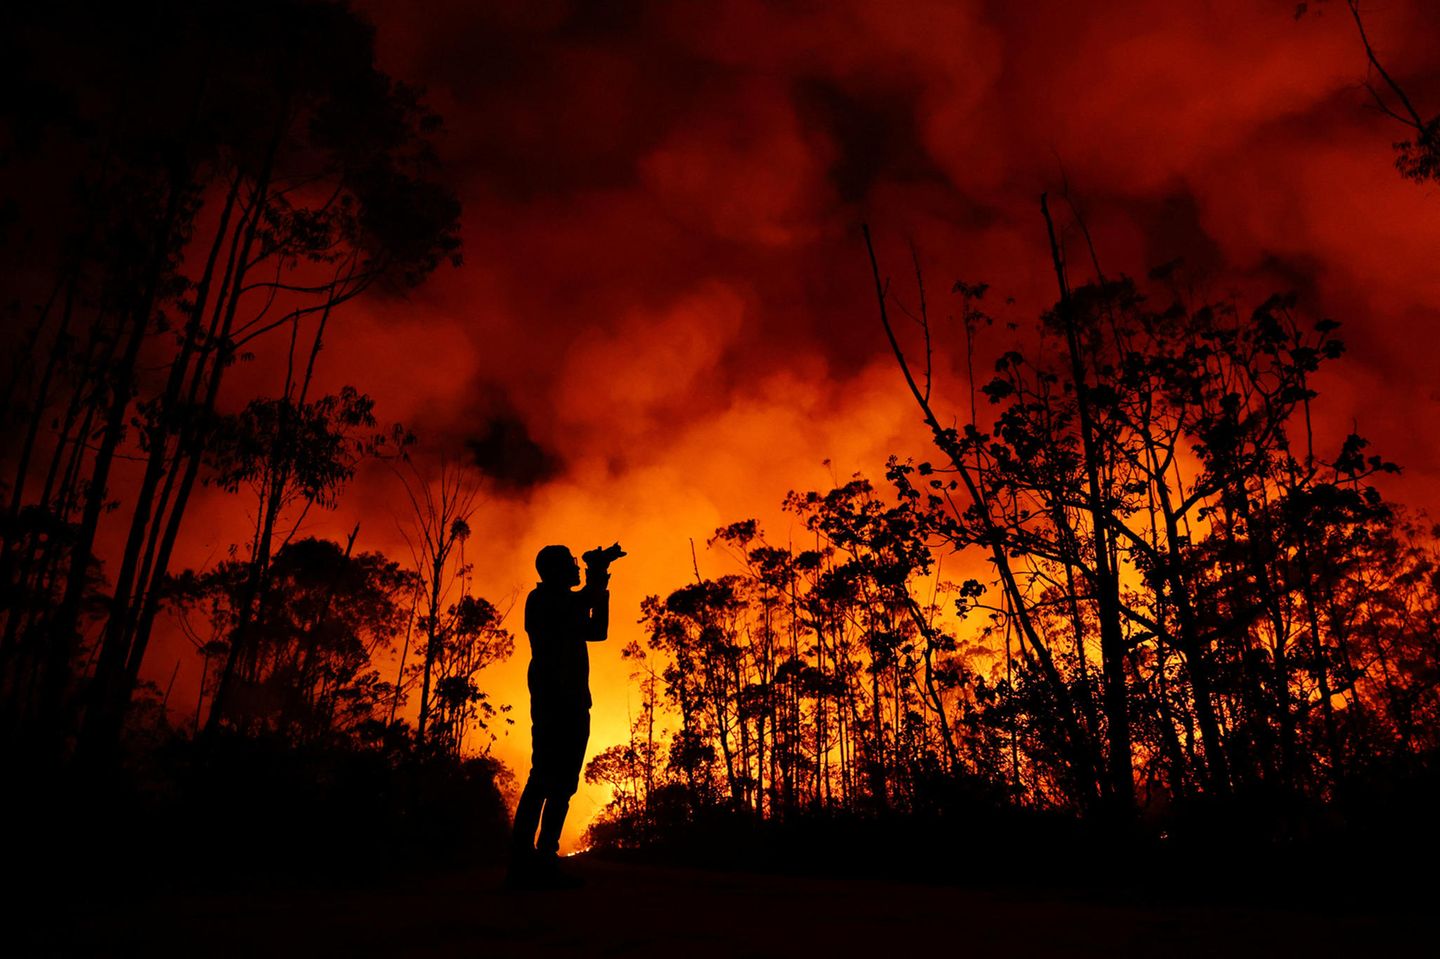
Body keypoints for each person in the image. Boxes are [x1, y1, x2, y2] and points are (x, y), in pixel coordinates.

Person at [507, 541, 623, 889]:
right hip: (554, 699)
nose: (575, 567)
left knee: (564, 783)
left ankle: (543, 859)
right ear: (555, 570)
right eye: (569, 563)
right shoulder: (542, 600)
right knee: (543, 777)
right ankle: (523, 860)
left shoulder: (563, 601)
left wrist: (597, 577)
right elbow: (579, 604)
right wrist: (597, 573)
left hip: (573, 699)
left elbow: (597, 632)